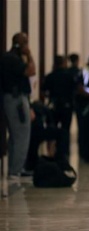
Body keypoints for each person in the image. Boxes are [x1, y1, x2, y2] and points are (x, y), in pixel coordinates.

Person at [0, 32, 36, 178]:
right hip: (16, 100)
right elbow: (31, 71)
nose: (27, 46)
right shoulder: (13, 59)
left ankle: (14, 168)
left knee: (15, 135)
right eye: (25, 43)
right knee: (22, 134)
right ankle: (16, 169)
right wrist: (29, 55)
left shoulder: (7, 57)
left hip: (11, 99)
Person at [41, 55, 77, 158]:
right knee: (65, 130)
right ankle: (64, 152)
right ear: (63, 63)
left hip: (54, 105)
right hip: (67, 106)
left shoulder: (50, 76)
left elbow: (44, 91)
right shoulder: (69, 76)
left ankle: (51, 151)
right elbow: (74, 90)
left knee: (52, 128)